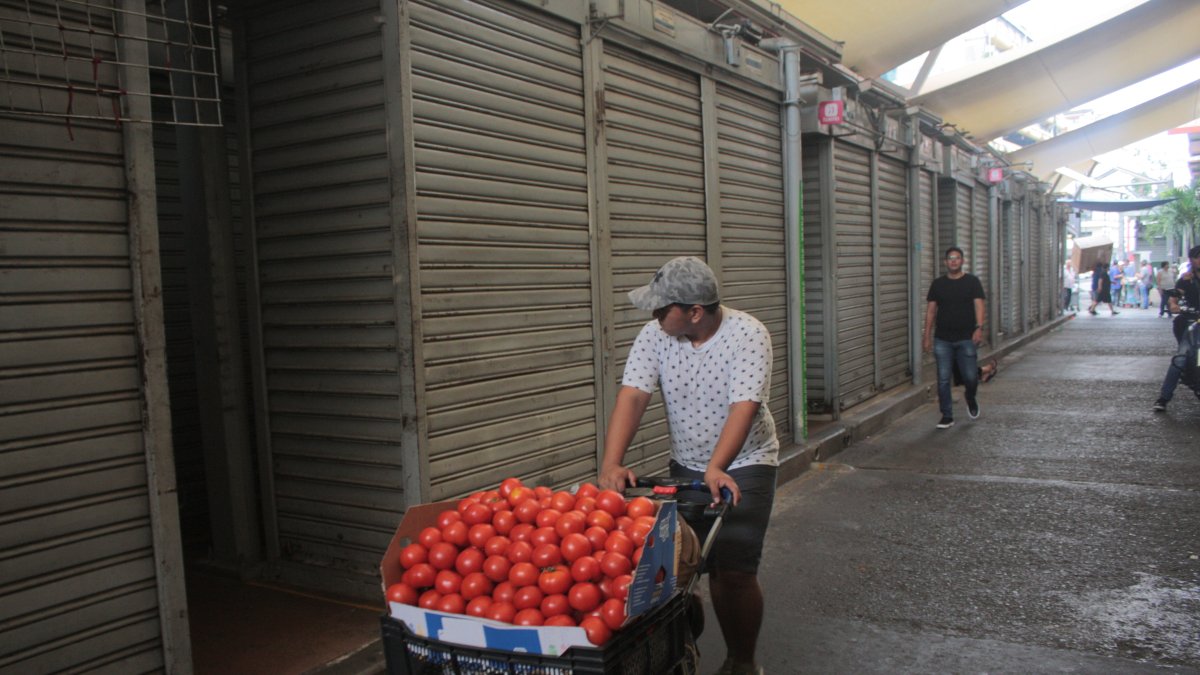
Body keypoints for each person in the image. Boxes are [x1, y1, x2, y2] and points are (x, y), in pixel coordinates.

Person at [599, 256, 776, 675]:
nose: (654, 315)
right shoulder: (654, 335)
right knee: (680, 569)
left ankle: (742, 661)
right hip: (685, 464)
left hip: (745, 461)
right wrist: (611, 463)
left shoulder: (748, 335)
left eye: (663, 309)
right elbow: (634, 395)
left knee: (732, 569)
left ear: (694, 312)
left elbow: (744, 407)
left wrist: (717, 467)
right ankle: (683, 645)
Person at [923, 247, 986, 429]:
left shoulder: (972, 282)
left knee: (970, 377)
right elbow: (931, 311)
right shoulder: (938, 284)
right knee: (943, 378)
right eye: (950, 258)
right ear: (945, 262)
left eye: (957, 258)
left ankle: (970, 397)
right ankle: (947, 415)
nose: (953, 261)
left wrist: (979, 328)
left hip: (966, 337)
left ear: (962, 261)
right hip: (943, 339)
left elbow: (979, 306)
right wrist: (926, 335)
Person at [1153, 245, 1200, 412]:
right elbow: (1174, 299)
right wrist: (1174, 305)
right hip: (1191, 323)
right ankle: (1164, 398)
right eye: (1197, 256)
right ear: (1192, 260)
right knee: (1181, 358)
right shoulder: (1185, 280)